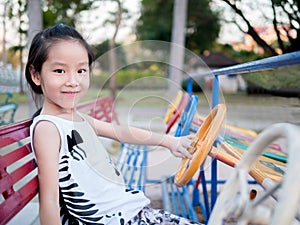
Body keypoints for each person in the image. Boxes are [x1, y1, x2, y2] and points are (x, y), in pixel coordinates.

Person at [26, 24, 201, 225]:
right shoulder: (48, 128)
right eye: (59, 70)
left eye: (81, 70)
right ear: (36, 75)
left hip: (129, 211)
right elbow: (49, 199)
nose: (74, 81)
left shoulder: (77, 117)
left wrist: (170, 141)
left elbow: (121, 132)